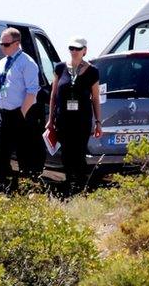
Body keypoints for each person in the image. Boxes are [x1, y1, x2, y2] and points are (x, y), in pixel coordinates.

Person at [46, 36, 102, 194]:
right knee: (66, 155)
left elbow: (96, 98)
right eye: (71, 48)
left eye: (78, 48)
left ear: (85, 50)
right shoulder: (60, 68)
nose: (74, 51)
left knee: (79, 154)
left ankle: (80, 188)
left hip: (82, 121)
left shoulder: (92, 71)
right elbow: (53, 95)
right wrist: (50, 120)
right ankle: (69, 186)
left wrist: (98, 122)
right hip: (63, 120)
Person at [0, 28, 40, 192]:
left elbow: (32, 92)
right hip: (3, 113)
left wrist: (21, 114)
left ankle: (26, 190)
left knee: (23, 155)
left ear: (17, 44)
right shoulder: (3, 61)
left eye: (6, 44)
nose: (2, 47)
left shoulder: (27, 63)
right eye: (1, 44)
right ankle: (2, 187)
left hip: (20, 113)